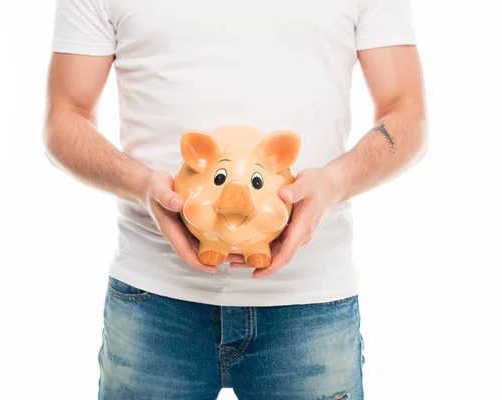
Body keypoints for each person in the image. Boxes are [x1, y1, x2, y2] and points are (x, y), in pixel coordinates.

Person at [44, 0, 427, 398]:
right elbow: (64, 118)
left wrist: (334, 183)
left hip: (310, 298)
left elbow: (407, 115)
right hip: (152, 292)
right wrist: (141, 185)